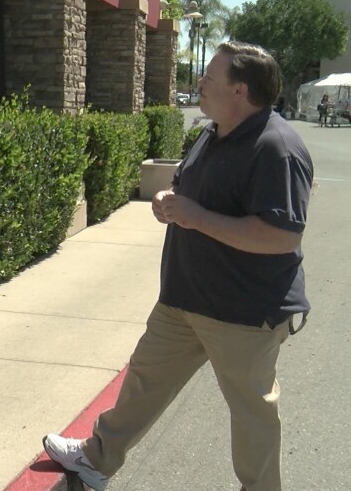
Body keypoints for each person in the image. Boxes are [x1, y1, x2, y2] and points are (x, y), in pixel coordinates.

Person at [42, 41, 313, 491]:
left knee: (252, 416)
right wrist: (170, 202)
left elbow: (282, 235)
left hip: (244, 313)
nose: (200, 83)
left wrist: (196, 217)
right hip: (185, 298)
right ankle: (96, 458)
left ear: (240, 90)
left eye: (210, 77)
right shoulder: (213, 131)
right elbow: (191, 191)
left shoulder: (277, 148)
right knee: (144, 381)